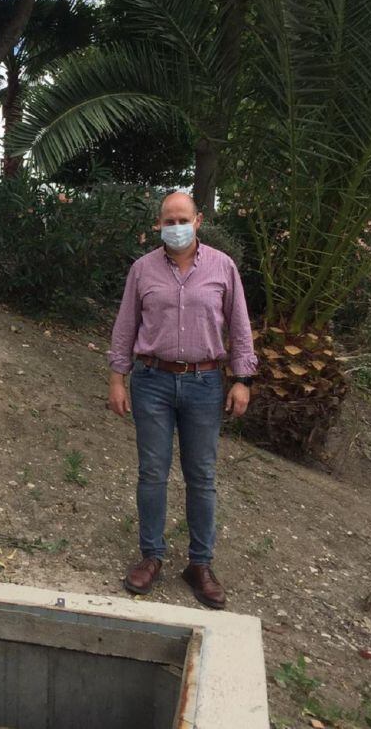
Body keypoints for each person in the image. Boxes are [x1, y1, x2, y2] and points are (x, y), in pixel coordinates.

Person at [107, 191, 256, 609]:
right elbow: (125, 326)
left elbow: (240, 326)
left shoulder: (223, 268)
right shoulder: (142, 270)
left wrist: (242, 379)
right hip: (152, 380)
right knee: (152, 472)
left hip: (205, 383)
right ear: (158, 224)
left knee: (202, 476)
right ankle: (151, 556)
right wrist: (117, 378)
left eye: (182, 218)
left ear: (198, 220)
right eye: (168, 220)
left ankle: (199, 564)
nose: (176, 226)